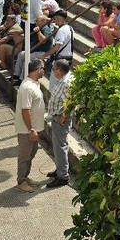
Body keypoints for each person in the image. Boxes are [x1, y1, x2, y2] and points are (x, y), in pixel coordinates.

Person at [15, 58, 47, 193]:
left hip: (35, 128)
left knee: (31, 154)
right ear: (38, 69)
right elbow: (25, 110)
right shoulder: (27, 87)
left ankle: (25, 177)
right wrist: (31, 129)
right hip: (28, 130)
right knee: (25, 155)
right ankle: (21, 181)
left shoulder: (33, 84)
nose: (44, 71)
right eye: (43, 68)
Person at [46, 58, 73, 188]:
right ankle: (60, 169)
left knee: (59, 147)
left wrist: (64, 115)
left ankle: (63, 176)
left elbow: (71, 101)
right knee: (60, 146)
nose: (53, 72)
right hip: (57, 117)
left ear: (60, 70)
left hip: (61, 119)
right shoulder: (63, 79)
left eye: (54, 69)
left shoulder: (67, 83)